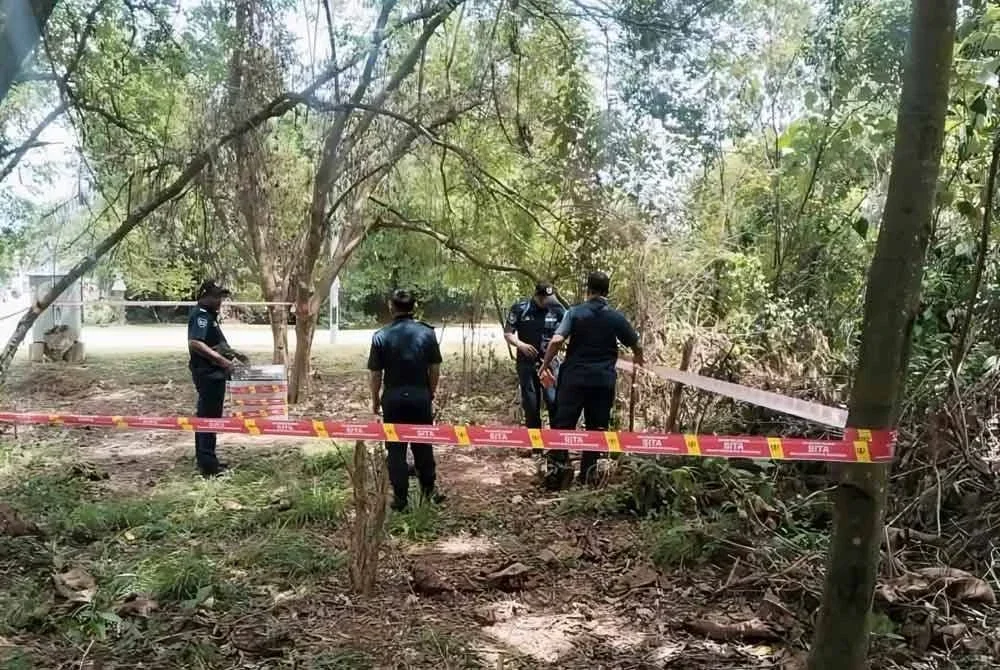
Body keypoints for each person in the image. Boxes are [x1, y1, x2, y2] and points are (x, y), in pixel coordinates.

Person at [538, 271, 643, 490]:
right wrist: (638, 362)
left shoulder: (574, 313)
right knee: (596, 427)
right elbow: (636, 344)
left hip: (574, 379)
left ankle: (558, 474)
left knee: (563, 424)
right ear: (607, 291)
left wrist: (546, 364)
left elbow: (557, 340)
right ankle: (588, 476)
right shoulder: (616, 317)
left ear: (588, 290)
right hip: (602, 382)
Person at [368, 289, 444, 511]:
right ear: (414, 307)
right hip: (420, 396)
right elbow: (435, 368)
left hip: (393, 398)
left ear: (392, 308)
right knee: (423, 445)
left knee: (396, 449)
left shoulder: (381, 336)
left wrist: (375, 399)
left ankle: (400, 499)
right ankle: (428, 492)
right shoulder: (427, 333)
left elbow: (375, 374)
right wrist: (430, 392)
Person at [188, 279, 248, 477]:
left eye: (220, 296)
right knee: (208, 417)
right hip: (208, 373)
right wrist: (223, 362)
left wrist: (233, 353)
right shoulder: (201, 315)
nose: (219, 300)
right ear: (204, 296)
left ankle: (207, 460)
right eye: (216, 296)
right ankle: (208, 465)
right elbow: (196, 343)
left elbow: (215, 343)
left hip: (215, 373)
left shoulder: (209, 316)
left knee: (210, 416)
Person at [504, 282, 565, 454]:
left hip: (550, 364)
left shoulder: (557, 309)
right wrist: (521, 345)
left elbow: (569, 330)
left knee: (554, 403)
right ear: (537, 296)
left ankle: (556, 447)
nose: (548, 302)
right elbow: (508, 333)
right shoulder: (520, 308)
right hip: (526, 363)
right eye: (545, 299)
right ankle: (536, 446)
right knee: (531, 405)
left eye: (550, 298)